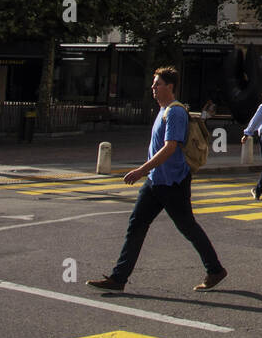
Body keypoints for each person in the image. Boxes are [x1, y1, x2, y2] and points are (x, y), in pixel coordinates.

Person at [89, 66, 227, 293]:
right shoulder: (162, 111)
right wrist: (148, 173)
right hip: (156, 182)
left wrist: (141, 170)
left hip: (173, 182)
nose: (153, 88)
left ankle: (215, 270)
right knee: (137, 225)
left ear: (170, 87)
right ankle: (118, 278)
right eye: (153, 84)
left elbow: (170, 147)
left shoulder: (175, 112)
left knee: (187, 227)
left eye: (157, 84)